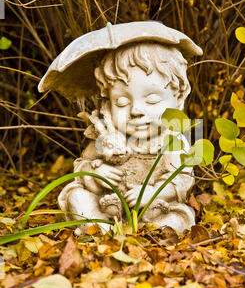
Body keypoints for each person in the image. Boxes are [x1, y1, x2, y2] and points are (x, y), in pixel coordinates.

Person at [58, 41, 196, 234]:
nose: (136, 111)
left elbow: (182, 180)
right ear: (108, 102)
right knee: (77, 198)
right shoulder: (106, 135)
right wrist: (96, 175)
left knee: (175, 220)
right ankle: (102, 232)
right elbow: (82, 166)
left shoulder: (172, 139)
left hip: (155, 209)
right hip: (106, 206)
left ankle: (152, 235)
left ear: (179, 99)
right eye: (122, 102)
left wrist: (152, 193)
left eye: (152, 100)